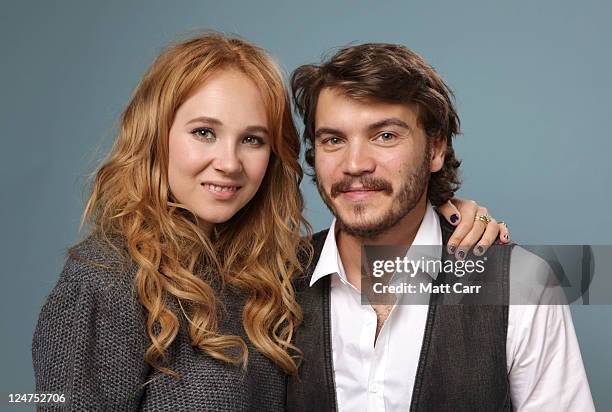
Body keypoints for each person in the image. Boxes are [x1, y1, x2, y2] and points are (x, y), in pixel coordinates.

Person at [32, 33, 508, 411]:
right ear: (156, 137)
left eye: (253, 140)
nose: (229, 162)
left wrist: (447, 217)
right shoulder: (105, 279)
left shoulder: (275, 274)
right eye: (204, 132)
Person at [287, 43, 595, 411]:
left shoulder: (523, 285)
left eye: (385, 135)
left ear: (434, 150)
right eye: (334, 140)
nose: (355, 164)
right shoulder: (273, 280)